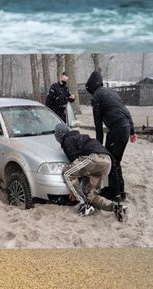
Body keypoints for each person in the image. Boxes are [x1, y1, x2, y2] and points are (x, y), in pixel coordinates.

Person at [54, 123, 127, 221]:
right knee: (91, 195)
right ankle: (117, 208)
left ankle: (84, 204)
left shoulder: (67, 140)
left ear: (59, 136)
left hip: (96, 158)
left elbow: (74, 167)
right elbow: (81, 168)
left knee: (67, 173)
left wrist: (73, 190)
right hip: (107, 163)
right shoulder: (79, 137)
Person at [85, 71, 137, 201]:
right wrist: (132, 131)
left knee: (111, 161)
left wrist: (98, 147)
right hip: (124, 128)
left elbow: (98, 125)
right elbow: (126, 111)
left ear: (91, 85)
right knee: (115, 161)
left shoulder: (97, 96)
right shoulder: (111, 92)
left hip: (117, 129)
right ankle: (120, 191)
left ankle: (114, 194)